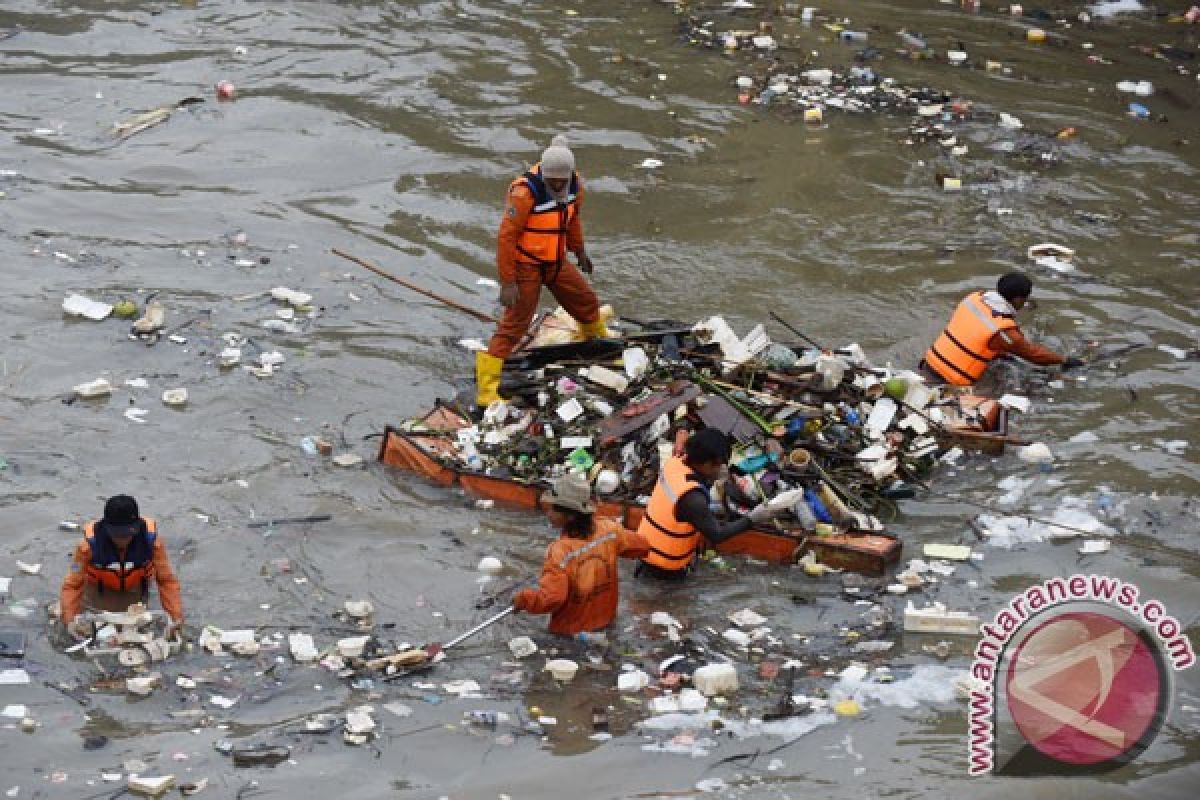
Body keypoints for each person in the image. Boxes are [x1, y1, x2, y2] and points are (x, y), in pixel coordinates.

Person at [475, 134, 609, 407]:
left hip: (556, 261)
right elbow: (506, 238)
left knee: (585, 300)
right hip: (527, 265)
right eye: (553, 181)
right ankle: (487, 388)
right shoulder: (524, 194)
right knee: (516, 323)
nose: (558, 185)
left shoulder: (575, 187)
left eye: (562, 180)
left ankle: (595, 341)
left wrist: (579, 250)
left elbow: (572, 221)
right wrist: (508, 281)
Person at [635, 428, 785, 580]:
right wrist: (752, 518)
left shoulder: (675, 462)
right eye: (718, 465)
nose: (720, 469)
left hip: (646, 554)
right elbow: (717, 535)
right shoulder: (693, 499)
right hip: (664, 571)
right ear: (706, 463)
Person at [511, 473, 648, 636]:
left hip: (569, 634)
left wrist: (523, 599)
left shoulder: (559, 551)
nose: (548, 514)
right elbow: (643, 546)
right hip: (606, 624)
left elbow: (552, 599)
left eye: (553, 509)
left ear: (570, 516)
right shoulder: (610, 530)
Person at [920, 272, 1083, 386]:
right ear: (1018, 299)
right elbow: (1034, 354)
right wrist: (1064, 360)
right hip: (950, 380)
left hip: (928, 364)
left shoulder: (973, 298)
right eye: (1024, 299)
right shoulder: (1004, 332)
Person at [60, 494, 183, 637]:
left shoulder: (152, 544)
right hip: (99, 589)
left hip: (136, 589)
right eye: (117, 535)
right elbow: (72, 585)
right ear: (106, 528)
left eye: (127, 534)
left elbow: (166, 581)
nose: (122, 541)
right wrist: (70, 621)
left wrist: (175, 618)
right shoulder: (87, 547)